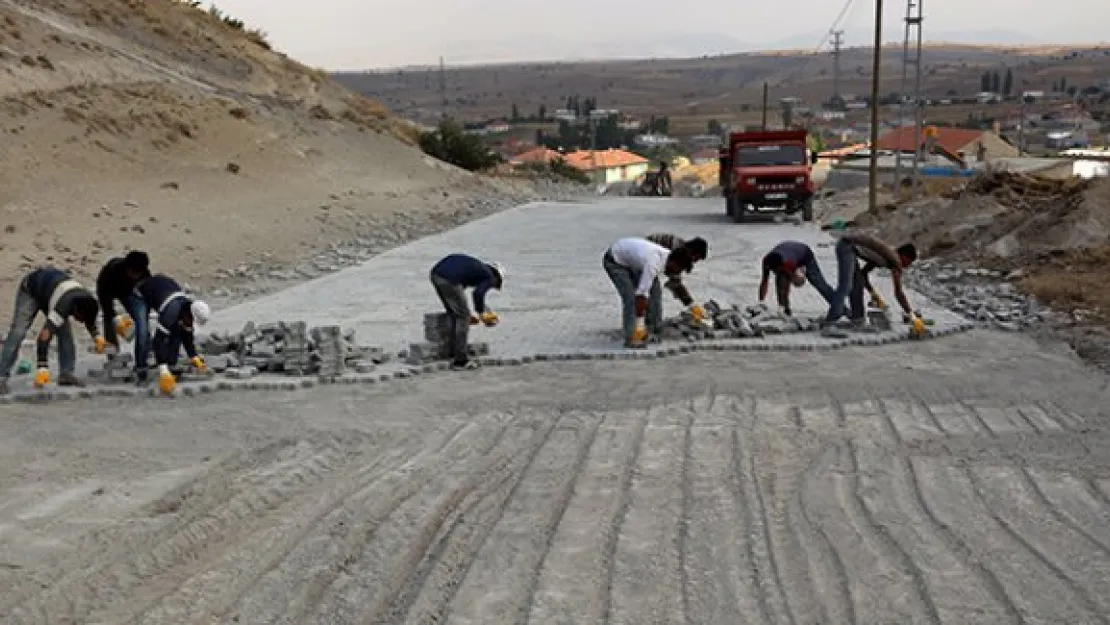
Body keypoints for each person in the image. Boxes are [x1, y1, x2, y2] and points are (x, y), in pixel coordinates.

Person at [0, 267, 105, 394]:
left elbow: (89, 319)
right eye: (80, 318)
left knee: (65, 333)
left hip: (51, 292)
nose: (80, 322)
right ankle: (2, 377)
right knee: (18, 331)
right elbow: (44, 337)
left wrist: (97, 337)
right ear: (76, 309)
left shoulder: (87, 301)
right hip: (31, 290)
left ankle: (66, 374)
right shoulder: (64, 305)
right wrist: (42, 367)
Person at [603, 237, 696, 348]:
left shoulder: (669, 258)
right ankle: (633, 337)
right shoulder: (653, 264)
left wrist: (693, 307)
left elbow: (675, 285)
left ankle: (652, 329)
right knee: (631, 298)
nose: (677, 273)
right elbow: (641, 296)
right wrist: (639, 324)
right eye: (678, 270)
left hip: (635, 259)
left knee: (655, 294)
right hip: (615, 261)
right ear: (673, 263)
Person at [823, 232, 920, 337]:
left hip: (851, 248)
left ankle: (857, 320)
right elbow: (899, 293)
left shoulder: (884, 255)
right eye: (908, 262)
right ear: (903, 256)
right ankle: (829, 323)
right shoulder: (895, 260)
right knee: (846, 286)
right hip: (847, 246)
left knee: (858, 283)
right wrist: (912, 315)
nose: (906, 266)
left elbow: (863, 274)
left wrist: (873, 293)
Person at [133, 274, 210, 391]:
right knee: (142, 331)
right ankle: (141, 372)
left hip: (164, 290)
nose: (191, 325)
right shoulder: (171, 312)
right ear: (189, 315)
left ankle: (171, 365)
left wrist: (194, 357)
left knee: (177, 330)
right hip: (141, 292)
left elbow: (187, 334)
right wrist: (163, 370)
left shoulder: (186, 310)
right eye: (192, 322)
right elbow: (159, 340)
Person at [429, 254, 505, 371]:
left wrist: (477, 310)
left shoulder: (476, 269)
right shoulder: (490, 276)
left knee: (454, 314)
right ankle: (460, 360)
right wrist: (481, 314)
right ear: (497, 277)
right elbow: (478, 294)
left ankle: (451, 351)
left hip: (436, 275)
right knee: (463, 316)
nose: (492, 286)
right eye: (495, 284)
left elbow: (460, 295)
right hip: (449, 279)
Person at [96, 250, 152, 369]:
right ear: (127, 268)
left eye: (135, 273)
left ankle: (147, 350)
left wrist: (141, 320)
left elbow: (147, 298)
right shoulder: (112, 271)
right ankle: (113, 353)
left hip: (128, 293)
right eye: (130, 272)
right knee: (109, 318)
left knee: (142, 321)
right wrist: (114, 316)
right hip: (108, 289)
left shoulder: (145, 275)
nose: (132, 275)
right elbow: (104, 295)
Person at [645, 233, 710, 325]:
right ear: (692, 252)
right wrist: (691, 304)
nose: (694, 262)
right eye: (696, 258)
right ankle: (646, 325)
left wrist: (691, 305)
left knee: (653, 294)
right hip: (642, 259)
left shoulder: (683, 251)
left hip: (650, 261)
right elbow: (674, 280)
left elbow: (675, 281)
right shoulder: (675, 251)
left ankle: (650, 323)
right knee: (652, 294)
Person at [758, 240, 835, 317]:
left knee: (819, 284)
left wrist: (797, 276)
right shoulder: (766, 261)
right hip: (788, 250)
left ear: (781, 266)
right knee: (781, 280)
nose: (774, 273)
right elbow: (764, 282)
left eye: (776, 271)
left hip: (805, 254)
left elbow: (796, 283)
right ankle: (784, 310)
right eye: (773, 271)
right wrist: (761, 302)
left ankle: (838, 306)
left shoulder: (788, 263)